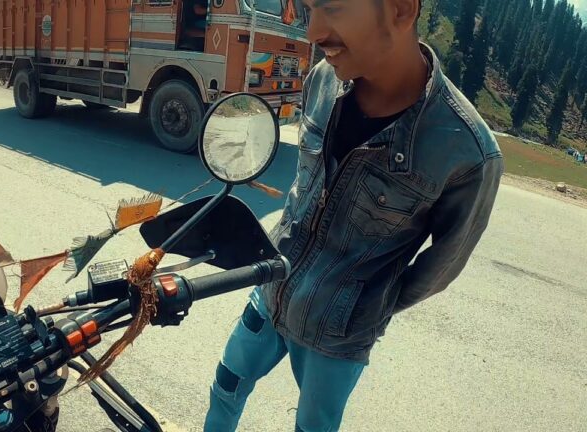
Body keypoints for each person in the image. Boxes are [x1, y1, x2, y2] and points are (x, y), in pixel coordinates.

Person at [204, 1, 504, 431]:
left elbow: (441, 268)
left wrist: (362, 305)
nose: (313, 32)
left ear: (401, 9)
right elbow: (302, 190)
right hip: (268, 291)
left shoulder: (468, 153)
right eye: (308, 9)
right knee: (225, 386)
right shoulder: (324, 79)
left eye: (332, 7)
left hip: (337, 339)